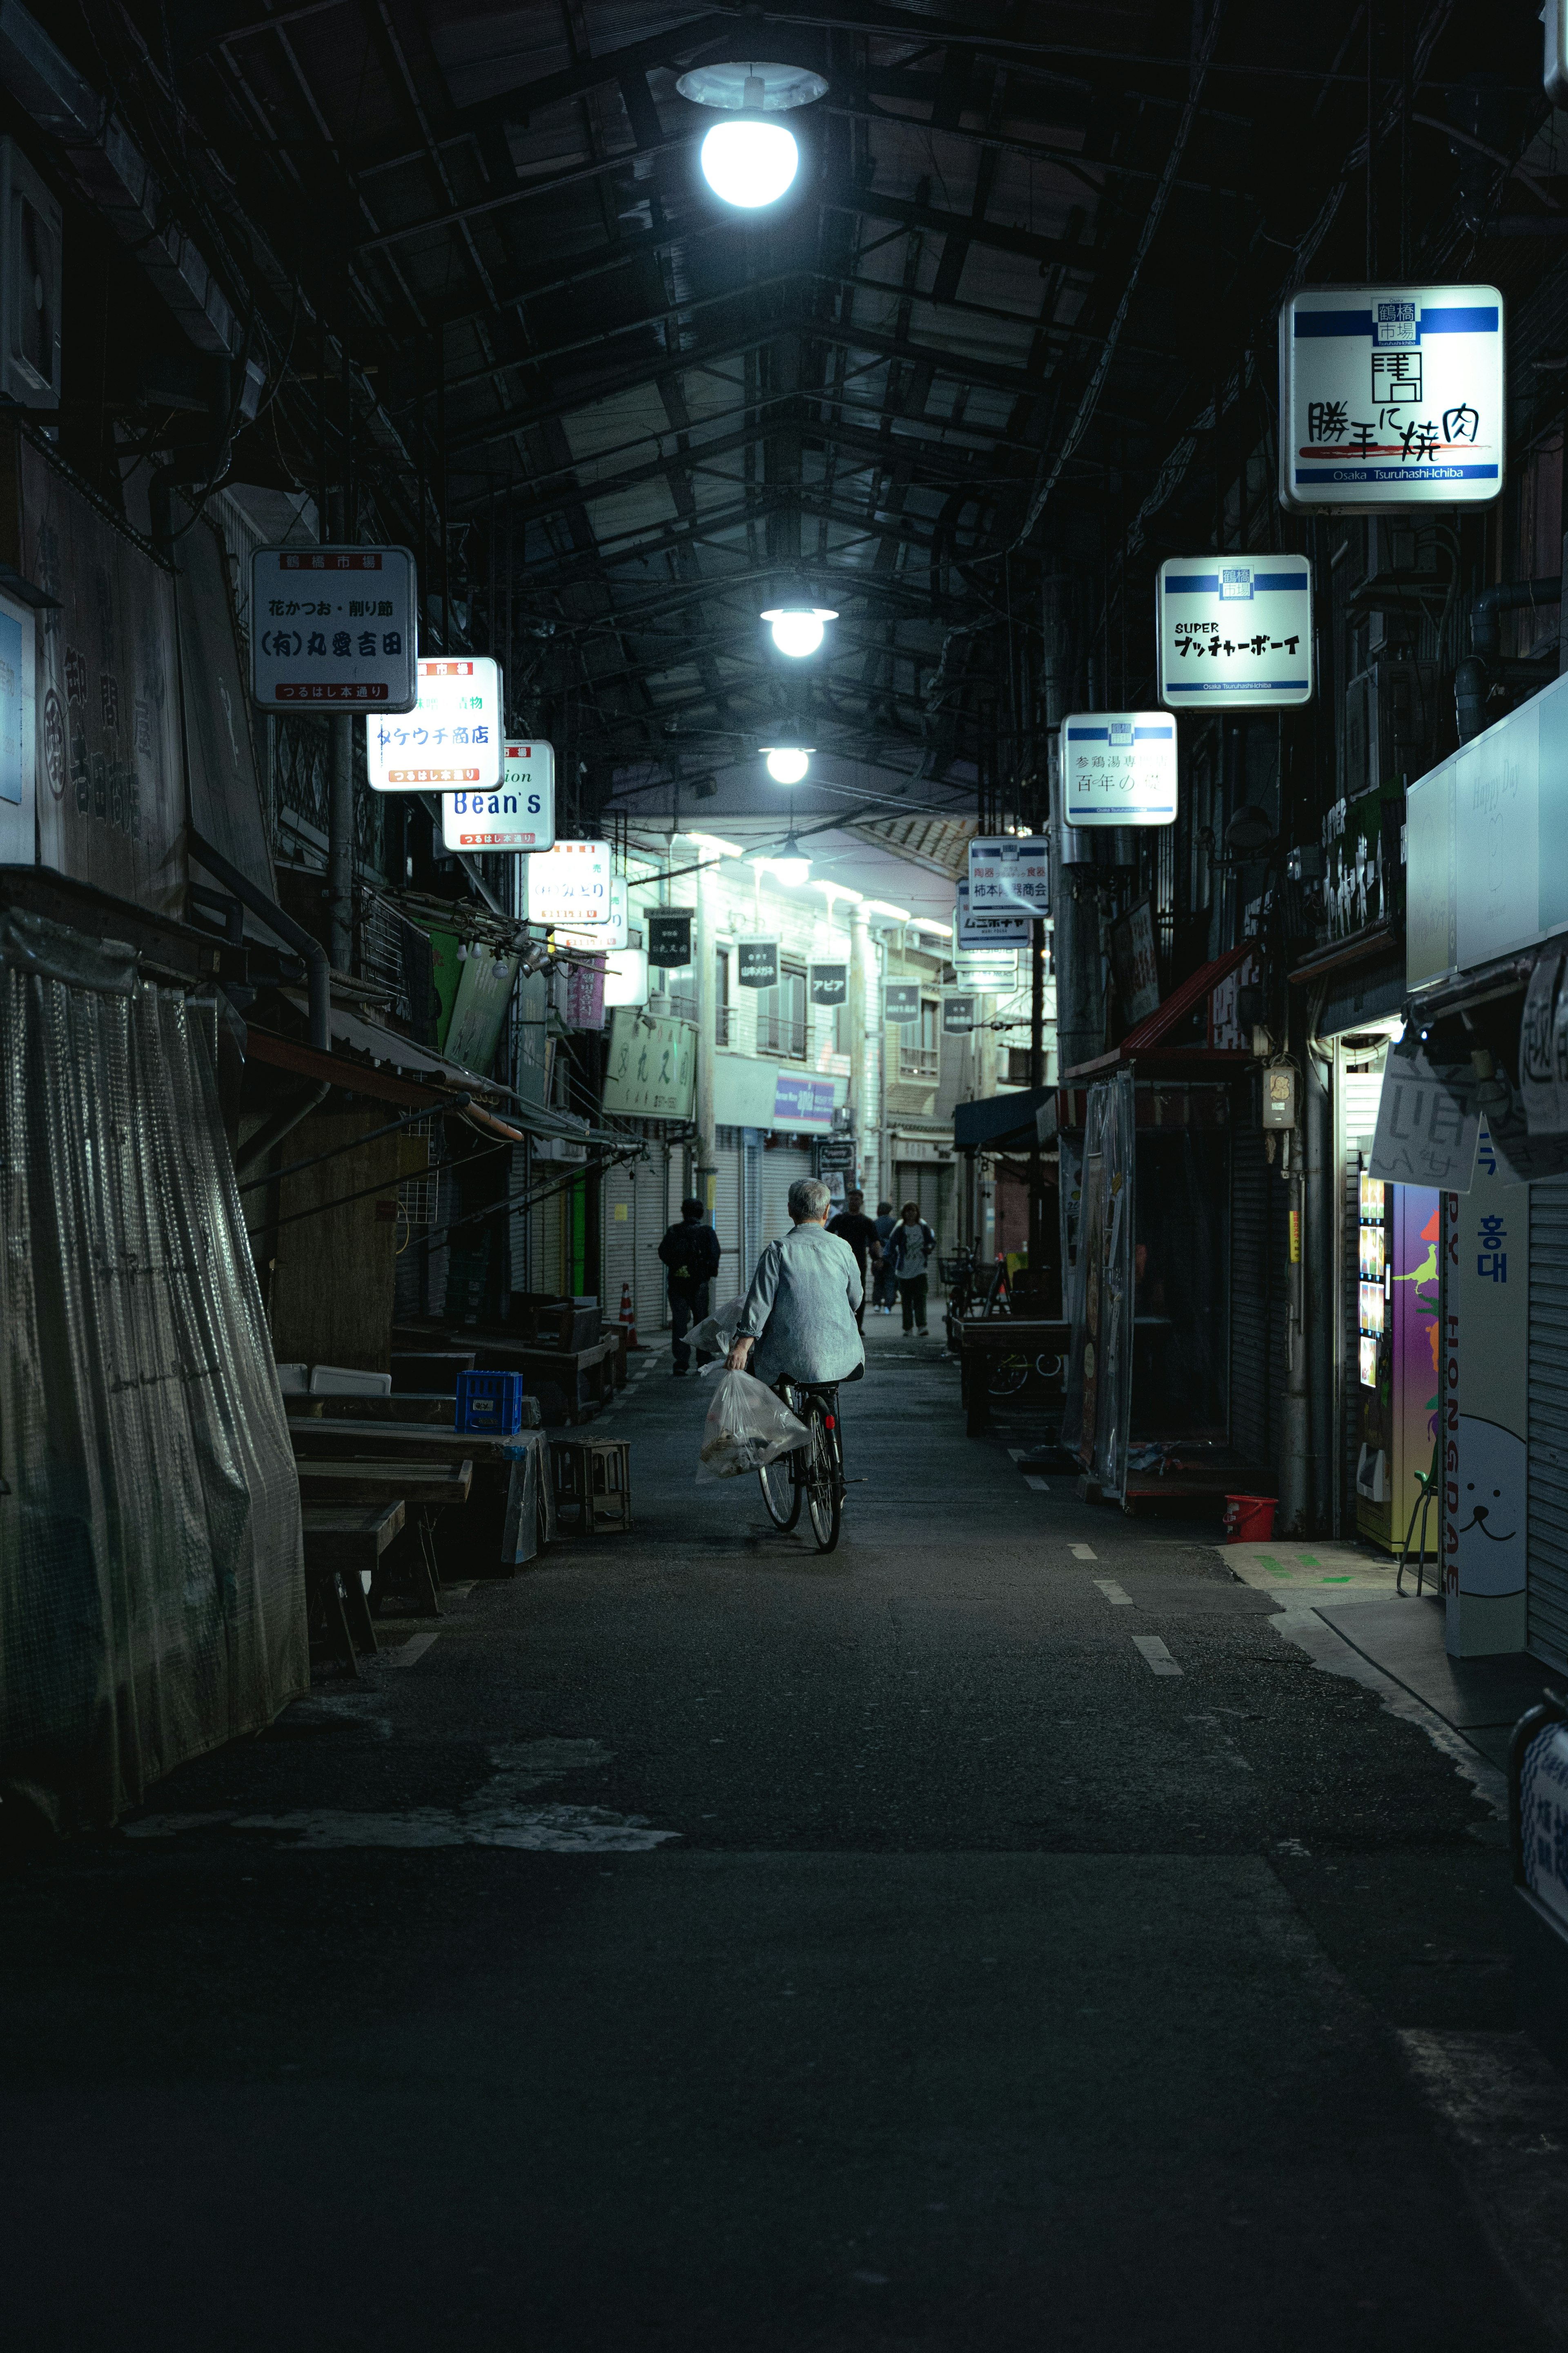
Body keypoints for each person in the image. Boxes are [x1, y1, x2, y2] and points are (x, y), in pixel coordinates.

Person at [726, 1178, 863, 1387]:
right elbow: (855, 1298)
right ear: (826, 1212)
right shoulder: (843, 1248)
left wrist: (742, 1346)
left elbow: (760, 1303)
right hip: (844, 1356)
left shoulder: (778, 1250)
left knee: (759, 1386)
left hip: (788, 1357)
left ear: (790, 1210)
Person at [658, 1196, 722, 1375]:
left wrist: (678, 1267)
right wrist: (706, 1273)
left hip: (677, 1284)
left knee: (679, 1322)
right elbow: (715, 1254)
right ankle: (703, 1360)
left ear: (684, 1212)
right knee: (701, 1321)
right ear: (700, 1213)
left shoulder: (674, 1232)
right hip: (699, 1284)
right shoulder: (707, 1232)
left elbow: (663, 1253)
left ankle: (681, 1362)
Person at [827, 1187, 882, 1331]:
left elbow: (875, 1242)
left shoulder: (867, 1222)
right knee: (840, 1292)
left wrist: (878, 1259)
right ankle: (843, 1324)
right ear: (848, 1201)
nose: (854, 1202)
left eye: (857, 1199)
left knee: (858, 1293)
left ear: (862, 1202)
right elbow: (827, 1235)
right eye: (851, 1199)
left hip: (859, 1262)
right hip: (840, 1261)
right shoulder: (840, 1219)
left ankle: (858, 1326)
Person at [887, 1200, 937, 1334]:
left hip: (920, 1268)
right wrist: (889, 1261)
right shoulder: (901, 1228)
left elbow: (932, 1242)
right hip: (904, 1270)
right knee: (907, 1300)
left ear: (917, 1212)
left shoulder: (923, 1226)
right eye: (908, 1211)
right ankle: (908, 1328)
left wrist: (929, 1248)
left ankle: (922, 1326)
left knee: (921, 1298)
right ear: (904, 1213)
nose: (911, 1214)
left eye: (913, 1211)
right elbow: (891, 1245)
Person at [872, 1200, 898, 1314]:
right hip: (891, 1257)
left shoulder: (874, 1223)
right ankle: (888, 1306)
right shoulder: (894, 1223)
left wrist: (876, 1258)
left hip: (878, 1256)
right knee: (890, 1281)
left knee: (878, 1281)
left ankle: (877, 1304)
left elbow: (872, 1242)